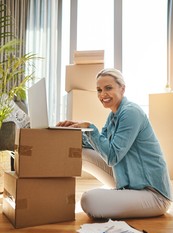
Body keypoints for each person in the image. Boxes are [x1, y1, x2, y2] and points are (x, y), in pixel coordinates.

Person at [57, 68, 172, 219]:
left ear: (122, 88)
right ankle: (55, 197)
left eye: (108, 88)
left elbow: (112, 156)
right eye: (99, 90)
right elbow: (99, 146)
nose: (102, 94)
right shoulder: (113, 116)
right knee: (80, 153)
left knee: (88, 200)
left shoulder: (131, 112)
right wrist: (76, 130)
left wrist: (90, 128)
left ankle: (117, 198)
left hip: (153, 194)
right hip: (129, 182)